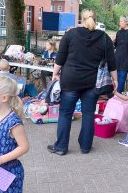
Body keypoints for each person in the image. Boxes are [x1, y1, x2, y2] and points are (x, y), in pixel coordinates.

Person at [47, 9, 118, 155]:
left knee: (66, 113)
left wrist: (55, 73)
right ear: (95, 19)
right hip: (92, 83)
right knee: (88, 114)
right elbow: (112, 62)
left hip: (70, 81)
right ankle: (85, 147)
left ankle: (60, 147)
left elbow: (60, 57)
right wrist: (115, 79)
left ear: (81, 19)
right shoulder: (104, 38)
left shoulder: (70, 34)